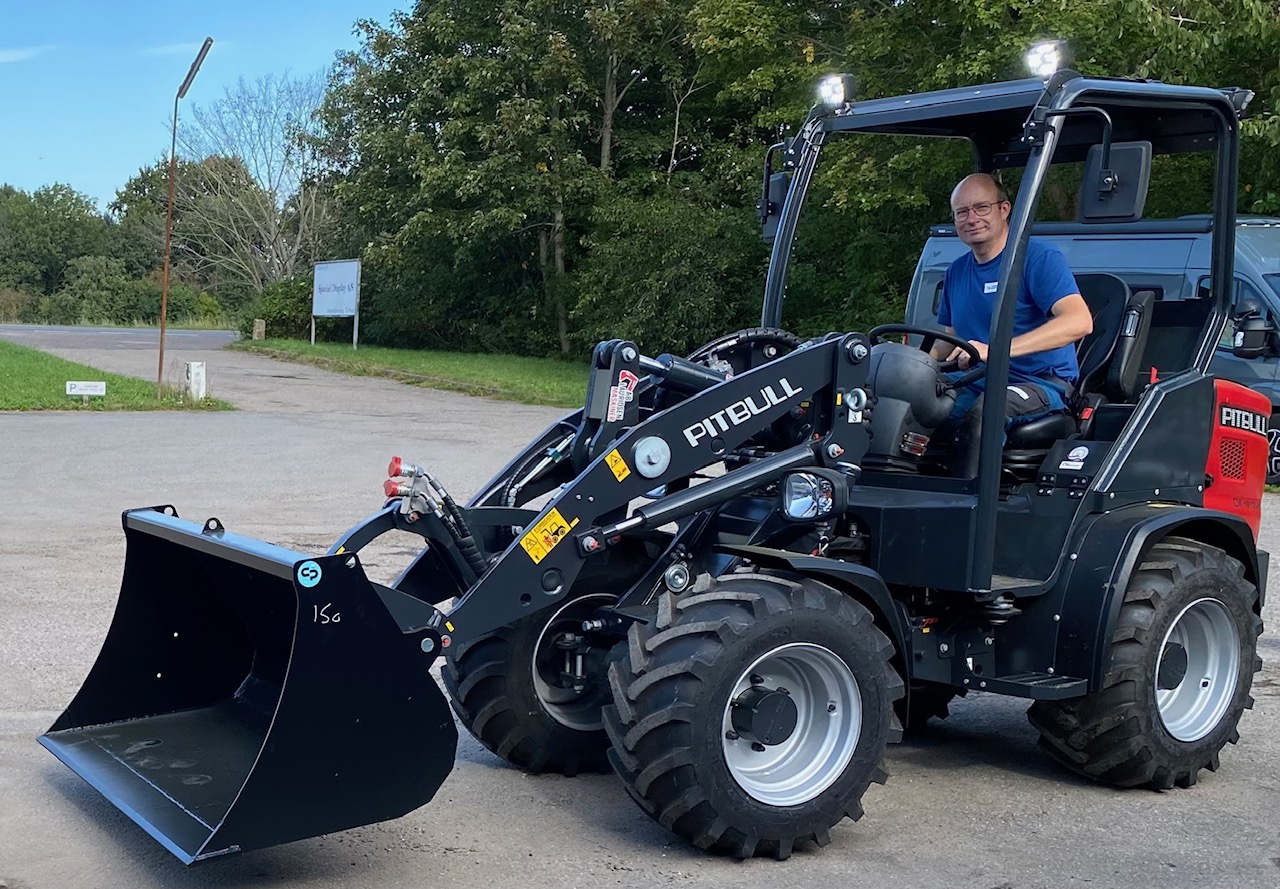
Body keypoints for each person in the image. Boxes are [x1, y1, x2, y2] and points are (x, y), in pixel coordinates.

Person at [933, 173, 1094, 477]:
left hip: (1039, 384)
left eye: (981, 207)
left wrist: (996, 350)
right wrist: (913, 366)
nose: (972, 218)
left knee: (987, 409)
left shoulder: (1037, 258)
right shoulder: (956, 271)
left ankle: (966, 508)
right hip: (976, 382)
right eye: (962, 212)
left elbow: (1079, 321)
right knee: (910, 407)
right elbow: (949, 341)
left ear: (1004, 209)